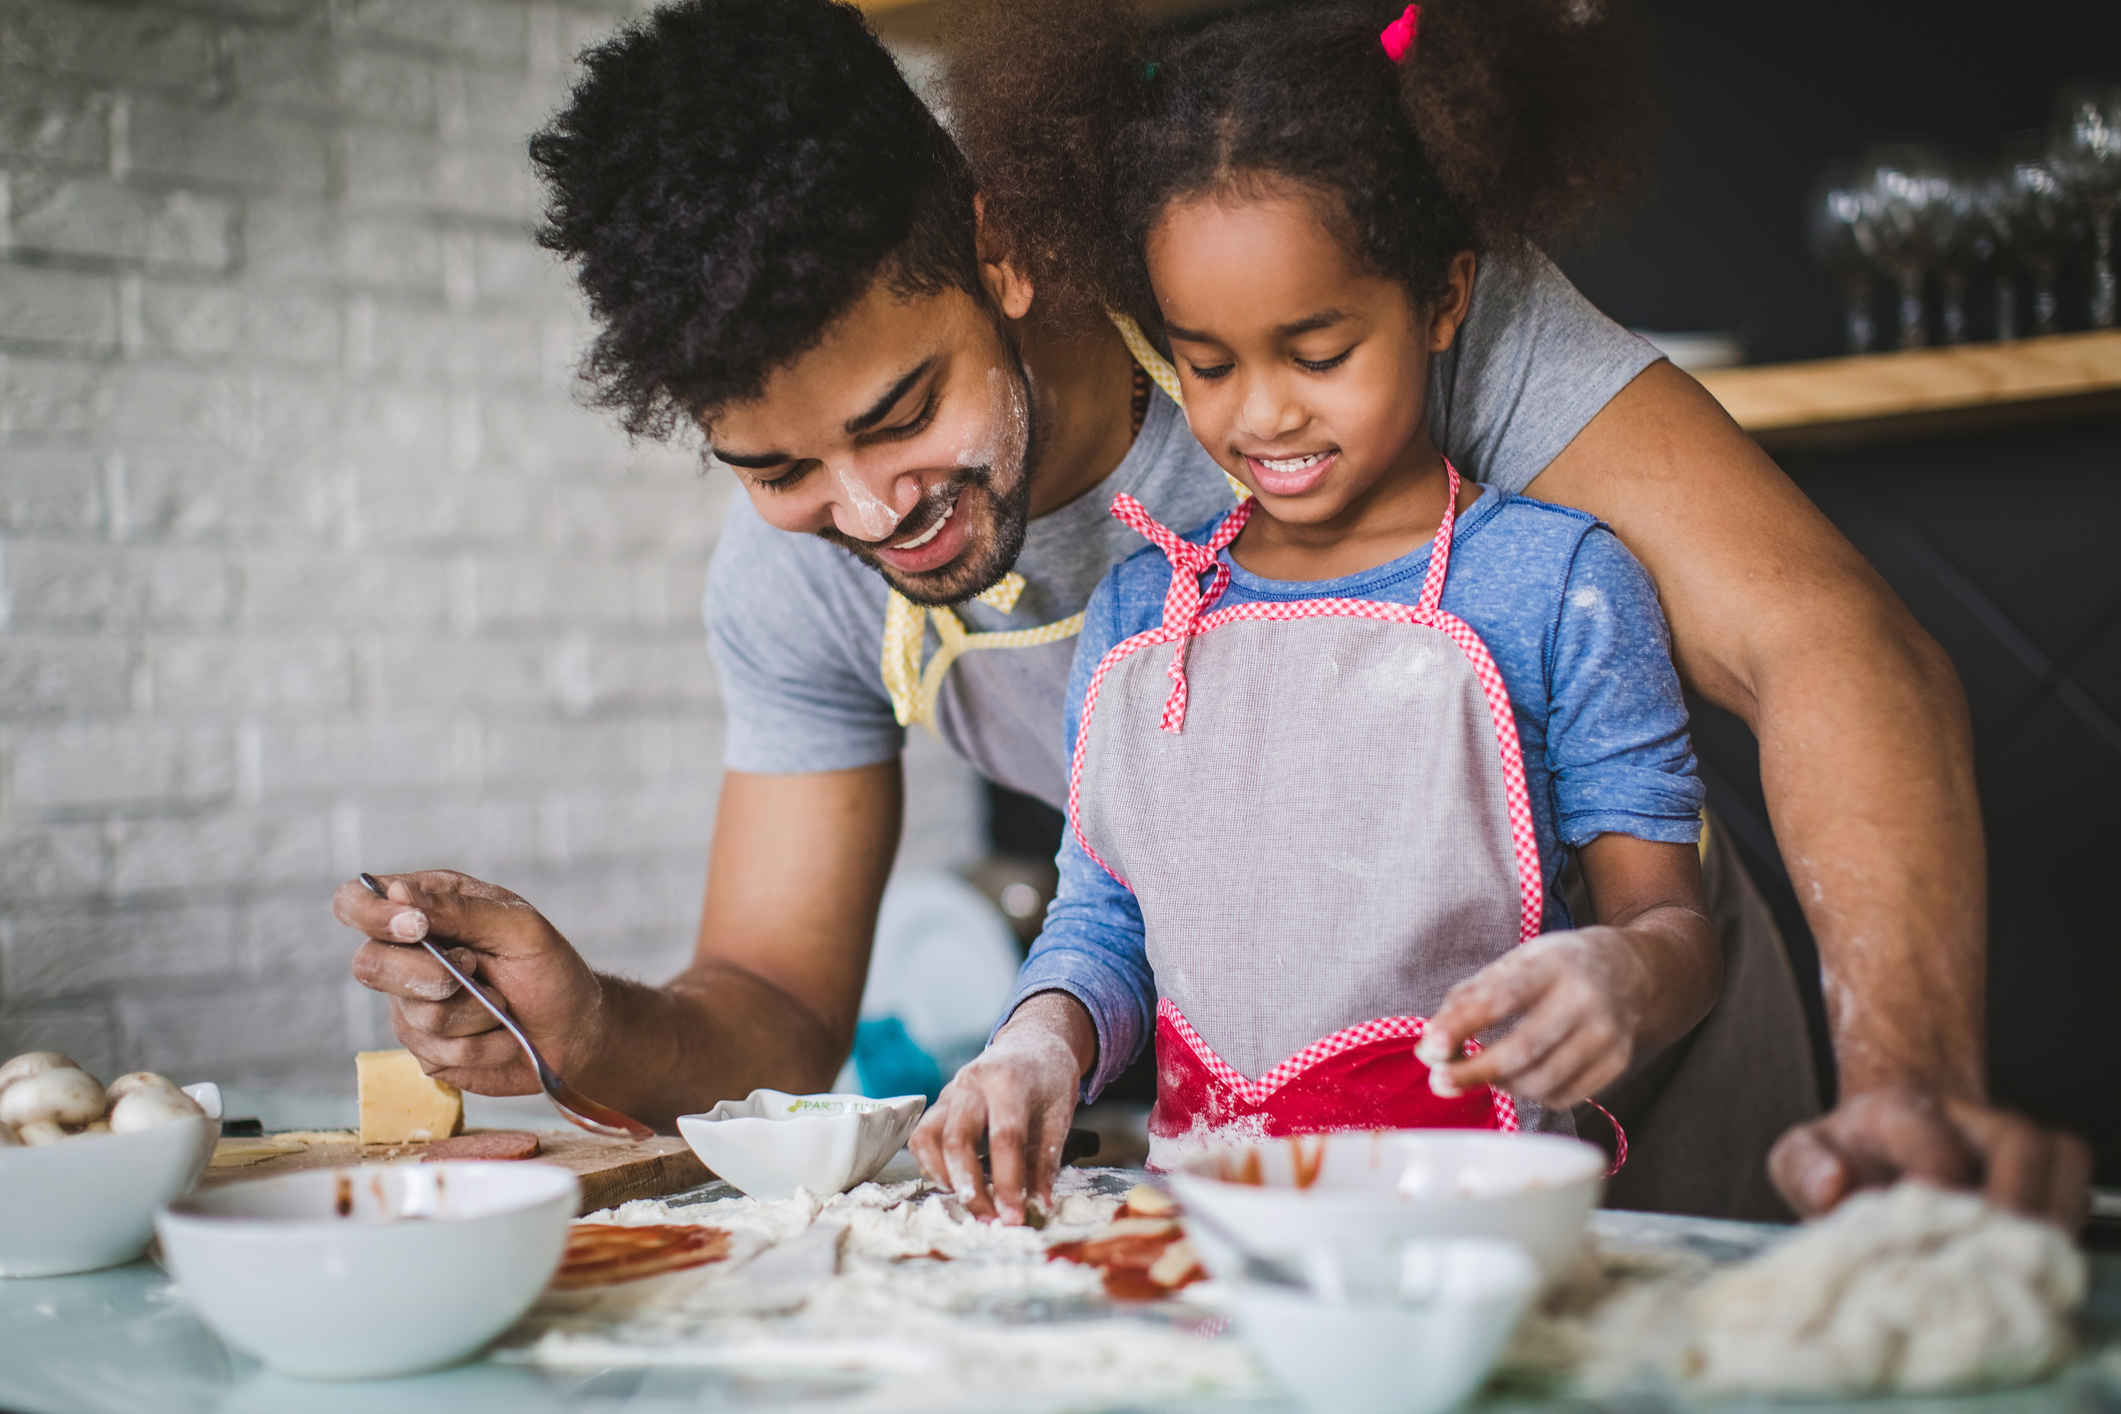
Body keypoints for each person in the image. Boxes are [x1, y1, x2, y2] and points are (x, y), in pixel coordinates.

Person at [331, 0, 2089, 1227]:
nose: (864, 510)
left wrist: (1908, 1081)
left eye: (898, 414)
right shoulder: (796, 573)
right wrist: (586, 1018)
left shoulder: (1327, 300)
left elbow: (1833, 642)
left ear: (1002, 252)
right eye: (773, 463)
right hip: (1288, 1189)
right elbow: (781, 1011)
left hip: (1665, 1149)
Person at [912, 0, 1725, 1196]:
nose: (1264, 413)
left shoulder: (1558, 584)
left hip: (1469, 1222)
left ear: (1442, 301)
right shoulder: (1141, 620)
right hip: (1210, 1220)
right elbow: (1105, 927)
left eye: (1320, 351)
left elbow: (1674, 930)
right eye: (1208, 360)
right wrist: (1038, 1040)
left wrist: (1620, 975)